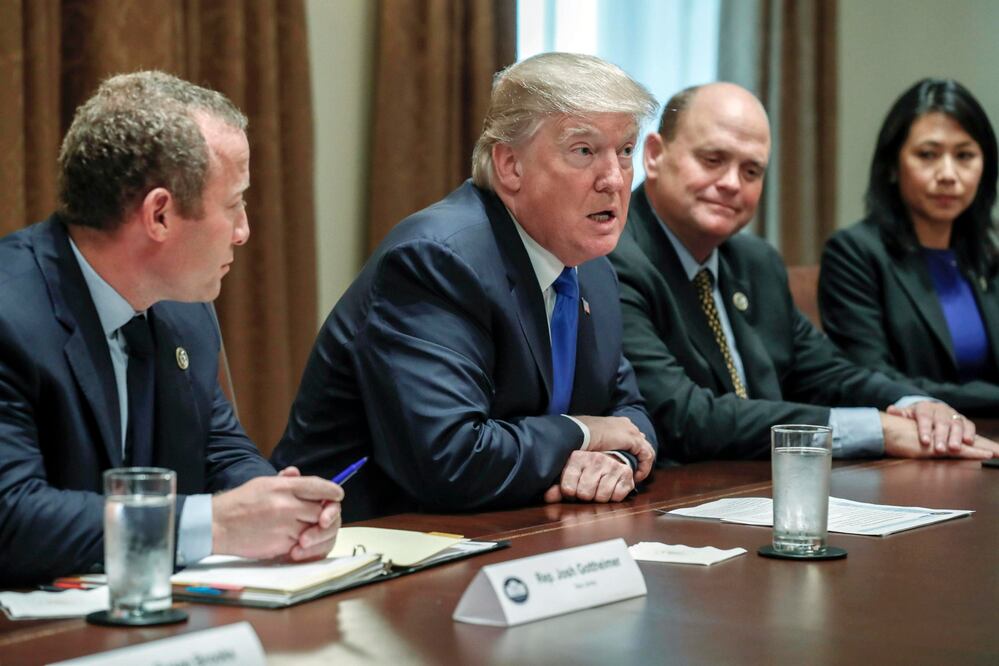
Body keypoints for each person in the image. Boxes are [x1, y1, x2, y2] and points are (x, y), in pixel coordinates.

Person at [272, 53, 659, 522]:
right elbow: (451, 458)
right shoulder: (438, 261)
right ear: (510, 166)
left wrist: (613, 460)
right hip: (361, 545)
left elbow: (629, 412)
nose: (615, 179)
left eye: (624, 150)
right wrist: (582, 434)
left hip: (512, 535)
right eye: (584, 151)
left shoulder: (591, 267)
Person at [0, 71, 343, 586]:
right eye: (234, 206)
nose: (244, 232)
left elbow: (219, 448)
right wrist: (219, 525)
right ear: (159, 215)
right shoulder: (10, 312)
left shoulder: (184, 309)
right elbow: (12, 517)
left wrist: (282, 507)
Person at [607, 82, 999, 463]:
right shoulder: (615, 260)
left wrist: (914, 404)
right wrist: (879, 431)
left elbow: (828, 373)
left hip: (766, 488)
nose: (730, 183)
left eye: (751, 171)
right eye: (712, 160)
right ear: (655, 155)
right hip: (670, 502)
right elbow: (683, 417)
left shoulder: (755, 261)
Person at [819, 79, 999, 416]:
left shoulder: (988, 256)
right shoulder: (854, 253)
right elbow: (873, 376)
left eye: (965, 156)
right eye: (928, 155)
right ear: (891, 165)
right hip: (909, 448)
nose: (948, 174)